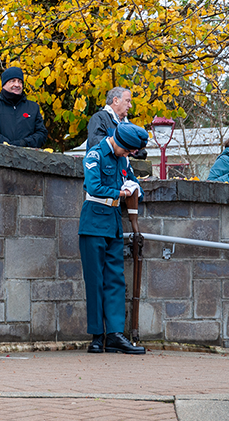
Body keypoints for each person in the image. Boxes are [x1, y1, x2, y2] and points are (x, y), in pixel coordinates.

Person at [80, 122, 148, 355]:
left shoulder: (123, 160)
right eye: (128, 150)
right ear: (119, 142)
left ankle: (116, 334)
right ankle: (97, 335)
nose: (129, 155)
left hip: (113, 224)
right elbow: (93, 186)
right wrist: (121, 192)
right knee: (95, 281)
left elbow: (133, 182)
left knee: (116, 280)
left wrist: (133, 186)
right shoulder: (95, 155)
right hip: (93, 222)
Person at [0, 66, 48, 148]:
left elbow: (41, 134)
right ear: (4, 84)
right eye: (12, 81)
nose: (17, 85)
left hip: (28, 157)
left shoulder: (33, 107)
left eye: (20, 82)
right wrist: (8, 145)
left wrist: (23, 143)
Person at [86, 87, 147, 160]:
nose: (130, 106)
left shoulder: (128, 124)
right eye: (127, 101)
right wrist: (129, 151)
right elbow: (97, 145)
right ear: (116, 101)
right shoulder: (98, 119)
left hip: (122, 169)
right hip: (103, 169)